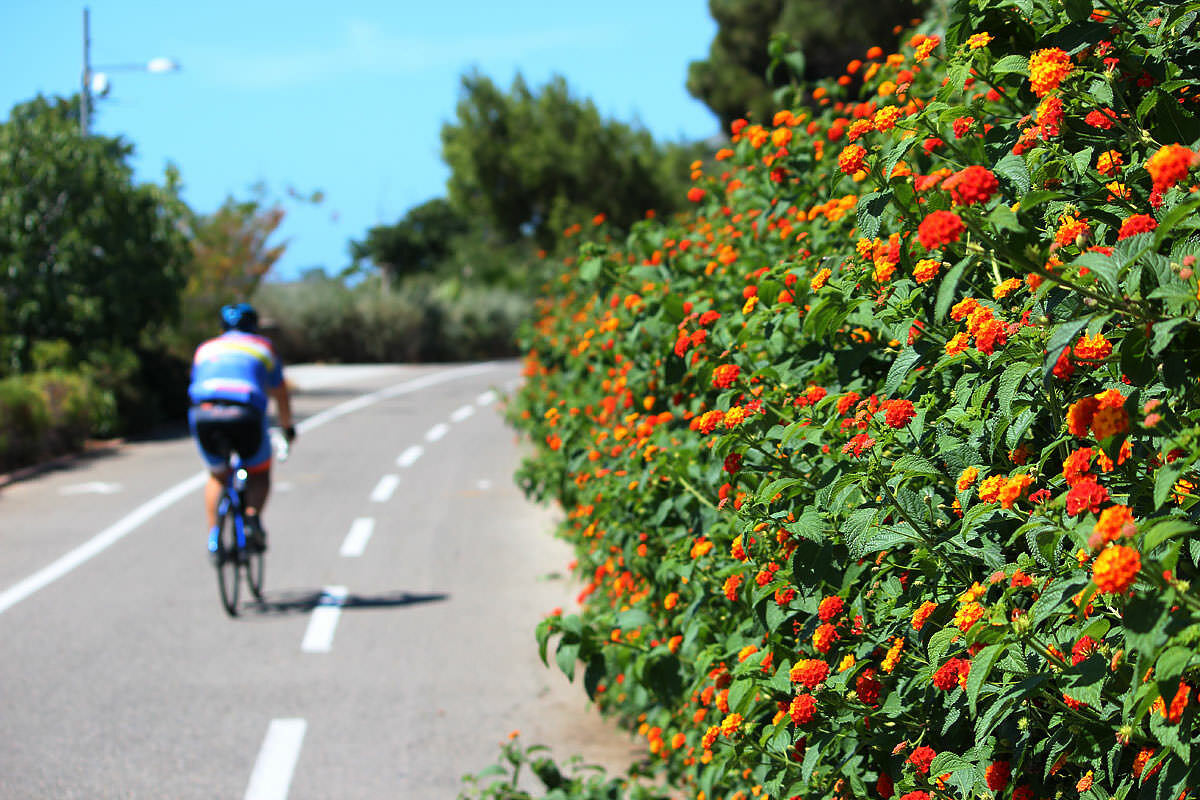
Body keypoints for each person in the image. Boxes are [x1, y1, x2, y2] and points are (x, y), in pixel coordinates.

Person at [188, 302, 295, 560]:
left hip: (205, 414)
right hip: (245, 413)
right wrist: (287, 428)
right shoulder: (263, 347)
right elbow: (280, 394)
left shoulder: (205, 348)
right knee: (259, 473)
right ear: (254, 326)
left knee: (217, 476)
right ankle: (252, 519)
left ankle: (214, 536)